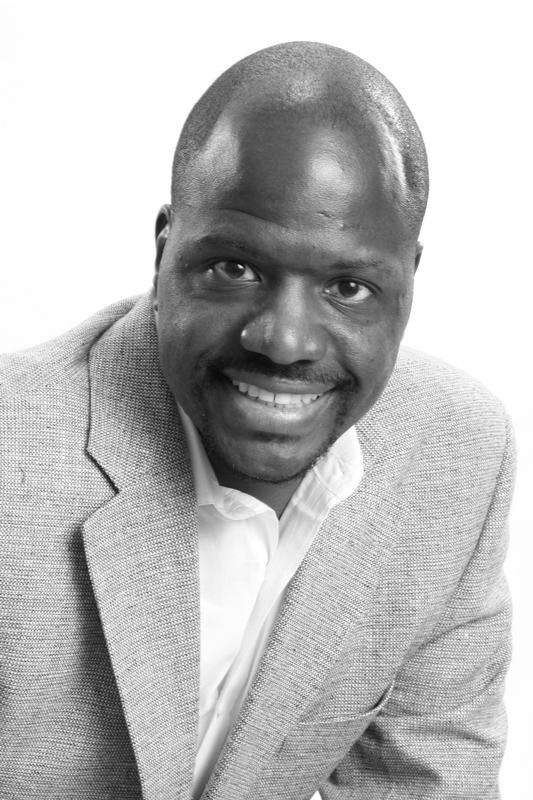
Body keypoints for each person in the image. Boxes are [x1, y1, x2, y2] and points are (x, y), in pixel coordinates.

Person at [0, 41, 514, 800]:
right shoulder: (14, 454)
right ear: (164, 252)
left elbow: (426, 783)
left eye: (348, 286)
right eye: (235, 268)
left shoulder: (452, 458)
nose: (283, 341)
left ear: (409, 281)